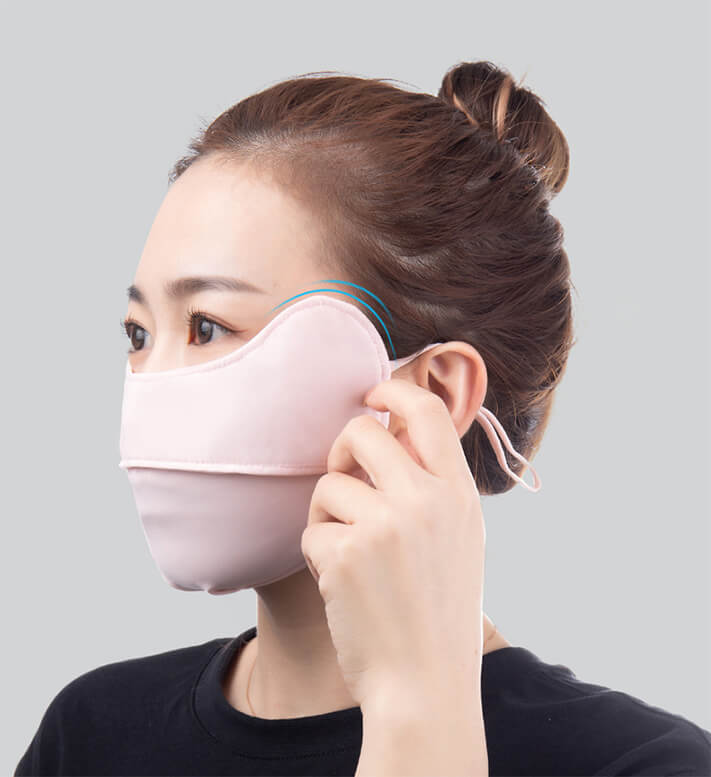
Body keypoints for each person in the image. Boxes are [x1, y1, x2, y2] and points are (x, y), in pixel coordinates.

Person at [14, 61, 711, 776]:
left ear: (435, 392)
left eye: (208, 326)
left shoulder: (639, 764)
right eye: (137, 335)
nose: (152, 386)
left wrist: (417, 711)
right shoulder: (91, 733)